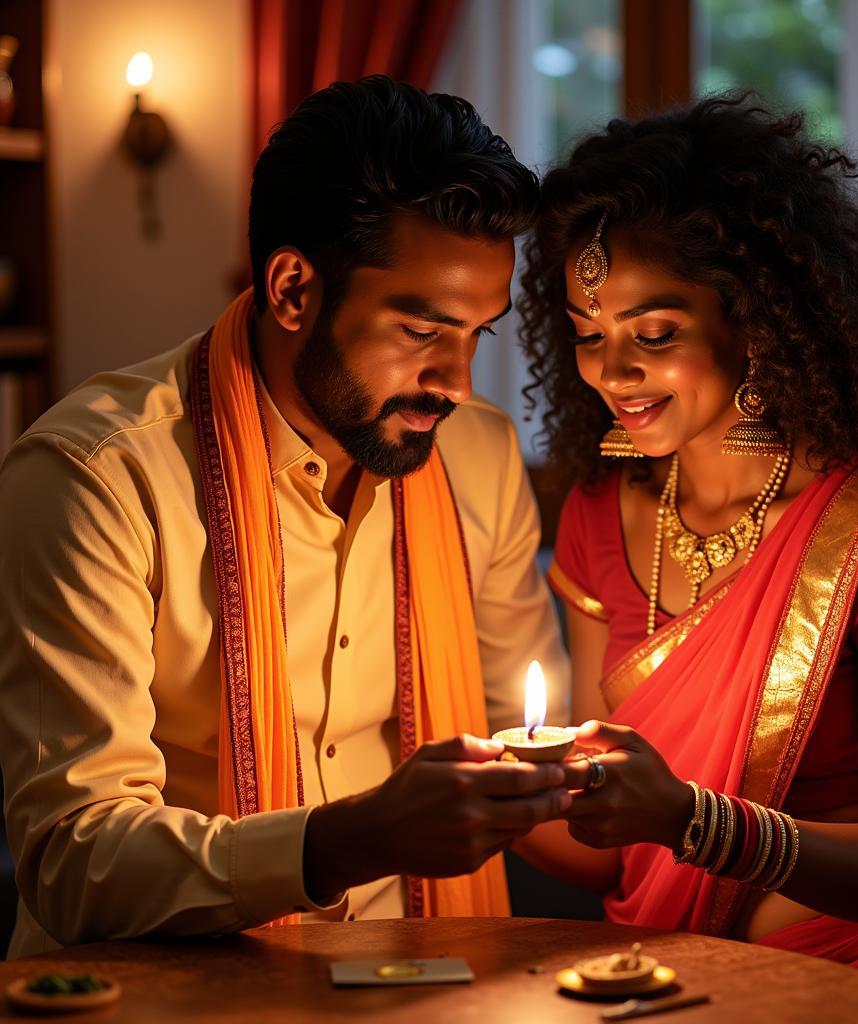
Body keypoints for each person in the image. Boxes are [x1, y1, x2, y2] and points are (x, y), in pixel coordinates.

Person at [0, 76, 571, 958]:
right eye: (422, 332)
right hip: (158, 995)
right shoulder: (96, 478)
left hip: (424, 979)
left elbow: (514, 736)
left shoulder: (478, 458)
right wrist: (351, 839)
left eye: (476, 334)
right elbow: (71, 861)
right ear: (294, 288)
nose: (458, 384)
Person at [515, 96, 858, 1024]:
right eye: (588, 337)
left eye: (655, 334)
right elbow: (602, 855)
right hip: (645, 984)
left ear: (757, 317)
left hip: (852, 994)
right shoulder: (598, 513)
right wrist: (476, 786)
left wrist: (687, 820)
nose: (612, 373)